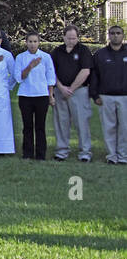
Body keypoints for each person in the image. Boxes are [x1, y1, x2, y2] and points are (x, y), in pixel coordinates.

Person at [50, 26, 94, 162]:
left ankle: (85, 152)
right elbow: (52, 72)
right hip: (60, 91)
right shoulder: (57, 52)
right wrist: (61, 88)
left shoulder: (84, 50)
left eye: (74, 38)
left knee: (82, 122)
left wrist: (72, 88)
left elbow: (86, 71)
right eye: (69, 38)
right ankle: (62, 151)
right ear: (63, 37)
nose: (71, 41)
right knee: (61, 122)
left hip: (79, 91)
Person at [13, 32, 57, 160]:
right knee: (27, 126)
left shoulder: (46, 57)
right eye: (30, 42)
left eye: (35, 41)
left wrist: (50, 95)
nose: (32, 44)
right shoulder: (20, 58)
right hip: (25, 95)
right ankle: (27, 153)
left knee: (40, 126)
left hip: (41, 95)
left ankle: (40, 154)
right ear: (26, 42)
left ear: (39, 42)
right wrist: (30, 66)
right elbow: (19, 78)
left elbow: (50, 77)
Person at [90, 26, 126, 164]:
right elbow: (94, 76)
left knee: (125, 128)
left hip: (125, 97)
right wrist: (95, 95)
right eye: (112, 33)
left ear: (122, 35)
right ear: (108, 35)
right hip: (106, 97)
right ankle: (112, 156)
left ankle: (123, 156)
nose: (115, 36)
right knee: (109, 128)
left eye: (118, 33)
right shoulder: (100, 54)